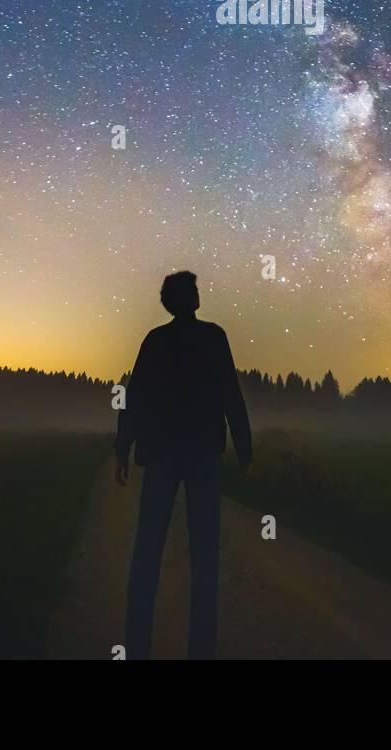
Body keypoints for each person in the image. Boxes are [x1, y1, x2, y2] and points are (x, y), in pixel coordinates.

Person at [114, 270, 252, 659]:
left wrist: (122, 447)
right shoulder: (214, 337)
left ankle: (137, 647)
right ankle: (200, 650)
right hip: (203, 454)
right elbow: (230, 392)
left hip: (162, 453)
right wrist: (245, 452)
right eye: (194, 289)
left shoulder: (156, 341)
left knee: (147, 553)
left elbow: (133, 395)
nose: (198, 293)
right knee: (205, 557)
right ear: (188, 299)